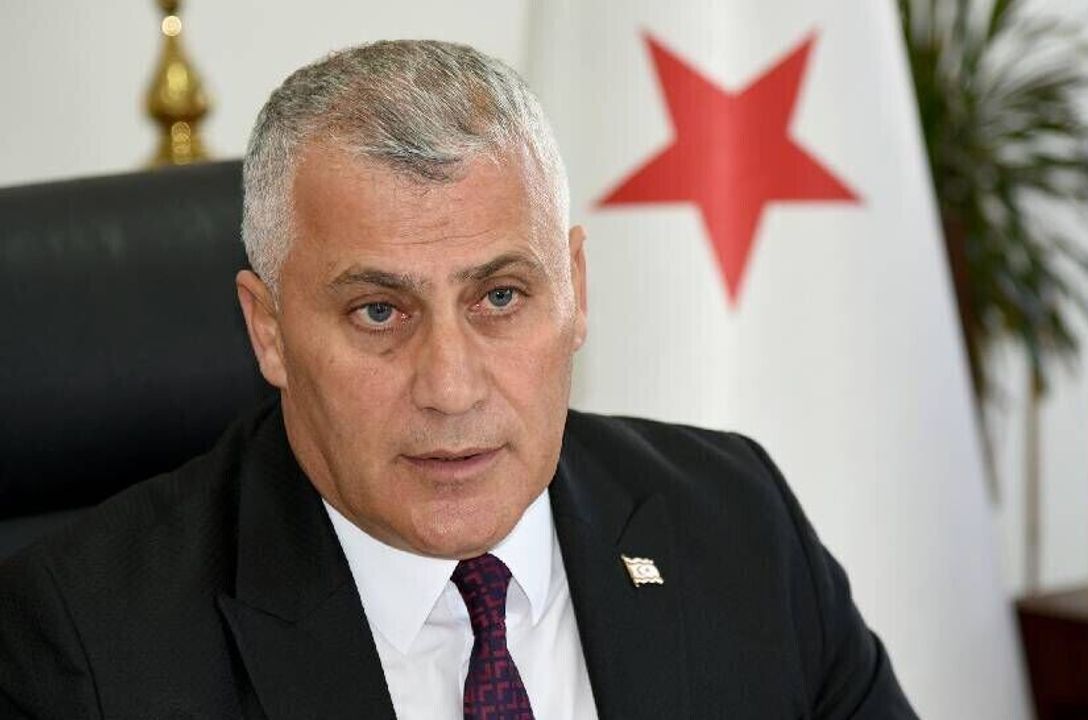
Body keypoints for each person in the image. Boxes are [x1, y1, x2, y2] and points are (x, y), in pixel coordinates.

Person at [0, 40, 915, 719]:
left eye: (501, 297)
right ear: (268, 330)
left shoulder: (737, 524)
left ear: (574, 290)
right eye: (379, 312)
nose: (450, 386)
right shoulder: (90, 647)